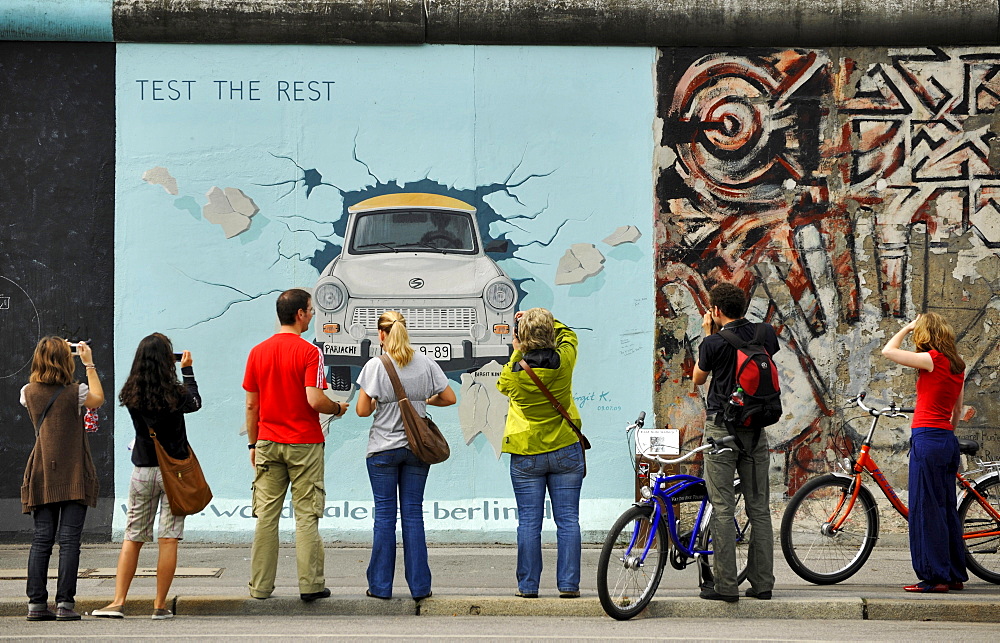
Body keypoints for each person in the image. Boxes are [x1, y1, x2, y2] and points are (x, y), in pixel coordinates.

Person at [243, 288, 346, 601]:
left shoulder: (257, 352)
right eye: (311, 309)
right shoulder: (310, 353)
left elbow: (251, 405)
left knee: (266, 516)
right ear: (300, 313)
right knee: (306, 515)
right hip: (304, 443)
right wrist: (337, 408)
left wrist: (253, 444)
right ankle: (311, 584)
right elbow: (314, 399)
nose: (313, 314)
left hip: (267, 441)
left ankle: (260, 587)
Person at [92, 333, 200, 620]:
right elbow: (196, 402)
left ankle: (117, 602)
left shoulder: (131, 393)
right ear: (168, 360)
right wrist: (187, 370)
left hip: (142, 471)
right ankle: (160, 605)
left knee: (133, 537)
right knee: (168, 539)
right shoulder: (176, 393)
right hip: (174, 472)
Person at [355, 311, 456, 600]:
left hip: (383, 450)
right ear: (405, 331)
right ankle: (420, 587)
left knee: (385, 517)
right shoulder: (425, 363)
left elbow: (362, 410)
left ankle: (380, 587)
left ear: (382, 334)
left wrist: (380, 403)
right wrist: (422, 399)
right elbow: (449, 397)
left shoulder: (375, 365)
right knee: (413, 515)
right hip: (417, 449)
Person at [692, 283, 778, 602]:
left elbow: (698, 380)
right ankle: (762, 583)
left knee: (724, 506)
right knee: (759, 507)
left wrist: (707, 335)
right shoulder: (765, 333)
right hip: (756, 429)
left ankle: (726, 586)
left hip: (721, 430)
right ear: (742, 307)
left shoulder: (713, 342)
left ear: (715, 311)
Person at [497, 308, 584, 599]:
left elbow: (502, 386)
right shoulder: (565, 362)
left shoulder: (515, 374)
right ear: (550, 334)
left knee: (529, 522)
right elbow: (569, 335)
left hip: (527, 453)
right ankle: (569, 584)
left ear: (521, 339)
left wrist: (516, 350)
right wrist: (546, 319)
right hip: (565, 450)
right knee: (568, 520)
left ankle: (528, 586)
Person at [882, 312, 968, 592]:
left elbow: (888, 351)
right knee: (946, 510)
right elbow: (957, 411)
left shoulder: (932, 359)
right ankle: (954, 573)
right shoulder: (957, 365)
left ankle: (934, 576)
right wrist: (947, 433)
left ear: (926, 334)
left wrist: (907, 328)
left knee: (925, 509)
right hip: (946, 440)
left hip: (928, 438)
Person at [20, 337, 104, 622]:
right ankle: (65, 604)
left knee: (41, 539)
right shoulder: (76, 392)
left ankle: (36, 604)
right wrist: (89, 363)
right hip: (74, 472)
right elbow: (98, 398)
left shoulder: (27, 392)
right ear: (65, 361)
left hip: (42, 471)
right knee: (69, 541)